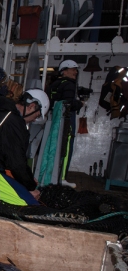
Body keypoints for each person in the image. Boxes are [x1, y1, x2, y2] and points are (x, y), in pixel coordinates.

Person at [47, 59, 87, 188]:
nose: (76, 72)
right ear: (64, 71)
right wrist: (80, 103)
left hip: (54, 120)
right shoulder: (69, 85)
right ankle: (61, 178)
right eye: (73, 69)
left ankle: (50, 175)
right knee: (65, 149)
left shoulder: (54, 85)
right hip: (66, 121)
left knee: (53, 148)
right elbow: (67, 104)